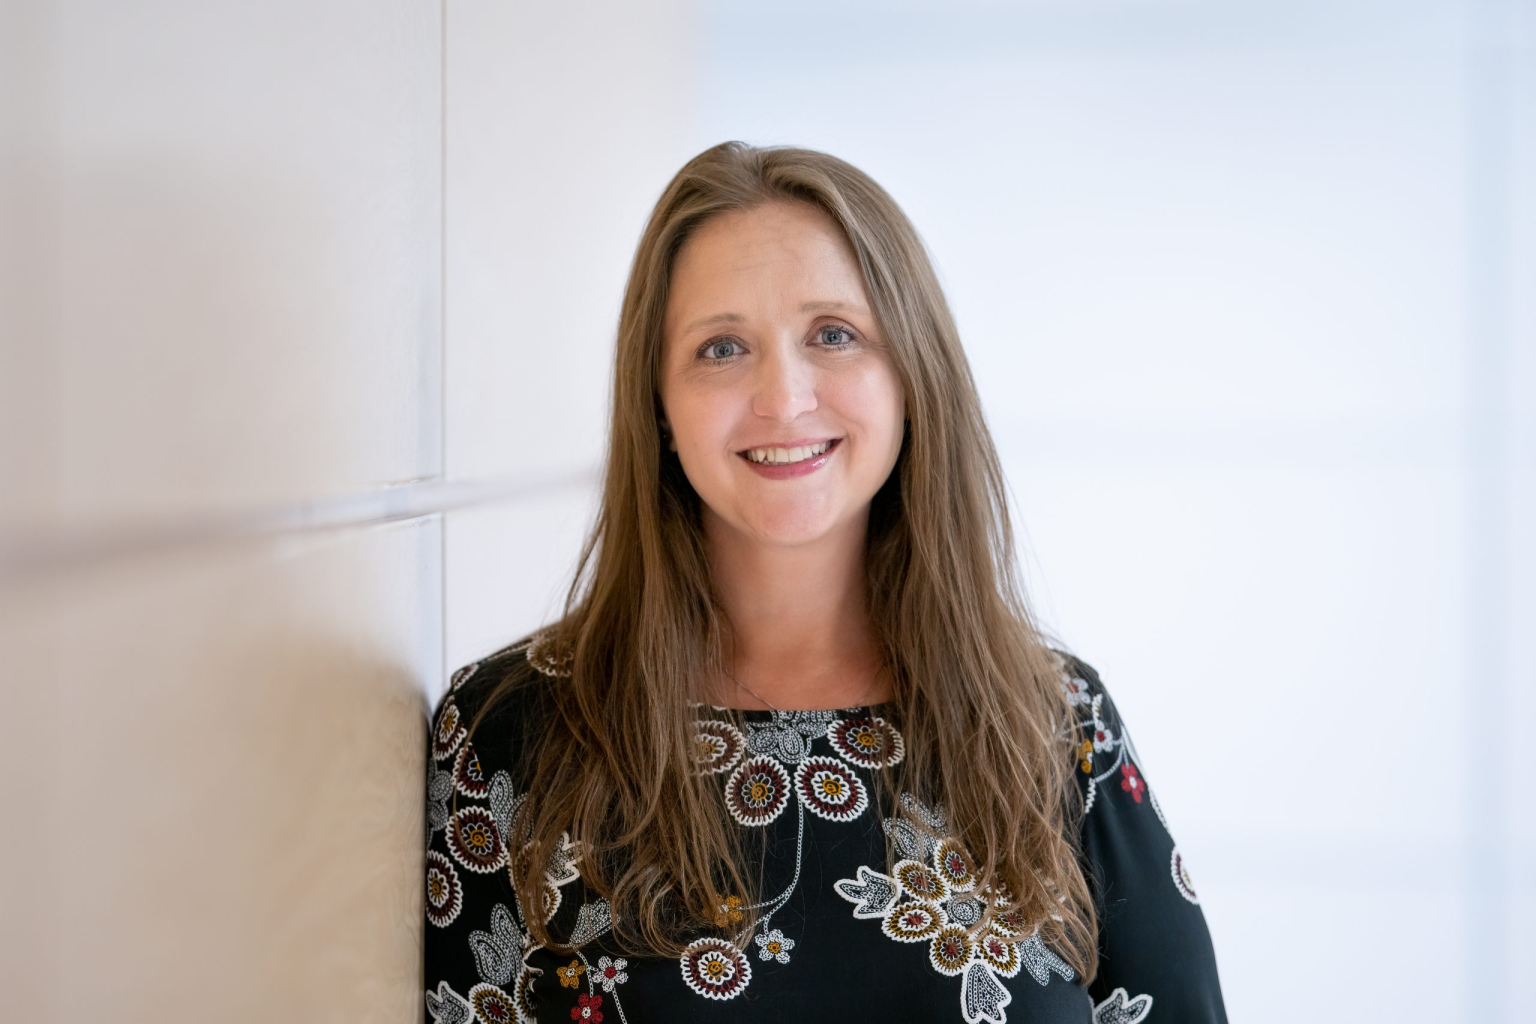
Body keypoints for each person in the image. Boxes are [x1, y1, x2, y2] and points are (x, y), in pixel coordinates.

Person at [422, 141, 1226, 1024]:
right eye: (721, 348)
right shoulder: (509, 736)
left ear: (913, 374)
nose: (784, 396)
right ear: (657, 402)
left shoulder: (1053, 724)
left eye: (833, 335)